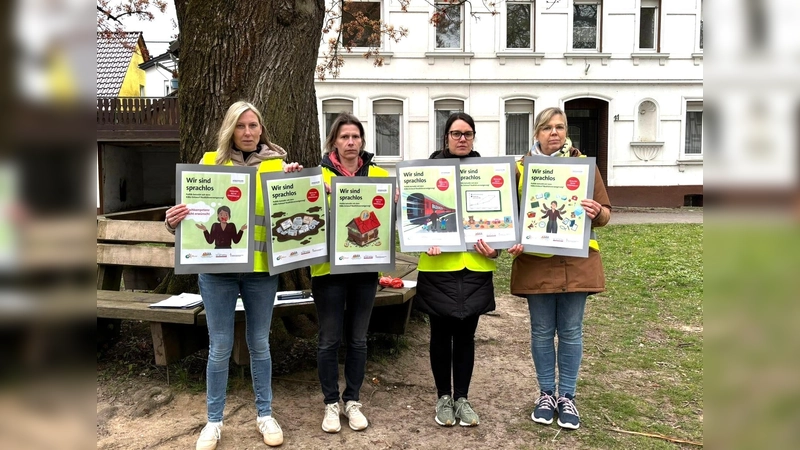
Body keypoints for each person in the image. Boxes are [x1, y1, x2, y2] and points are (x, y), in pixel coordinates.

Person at [164, 101, 303, 450]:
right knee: (220, 346)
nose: (247, 132)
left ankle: (264, 414)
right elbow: (191, 221)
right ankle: (213, 422)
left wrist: (297, 184)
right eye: (240, 126)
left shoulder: (278, 165)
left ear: (261, 129)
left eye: (253, 125)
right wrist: (172, 221)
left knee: (259, 344)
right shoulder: (209, 164)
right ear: (230, 129)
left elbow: (294, 214)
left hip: (260, 272)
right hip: (217, 273)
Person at [508, 106, 611, 430]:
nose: (555, 132)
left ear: (567, 132)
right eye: (548, 128)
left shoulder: (584, 168)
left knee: (570, 332)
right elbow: (508, 215)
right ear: (537, 133)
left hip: (576, 264)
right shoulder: (522, 169)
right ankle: (546, 394)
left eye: (560, 127)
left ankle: (567, 396)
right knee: (540, 332)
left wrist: (598, 212)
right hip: (536, 264)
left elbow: (606, 212)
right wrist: (512, 237)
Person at [415, 112, 498, 427]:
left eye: (467, 133)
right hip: (438, 266)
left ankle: (462, 398)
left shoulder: (489, 173)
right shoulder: (426, 172)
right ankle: (443, 398)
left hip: (475, 265)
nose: (462, 138)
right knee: (439, 335)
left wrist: (496, 248)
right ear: (445, 137)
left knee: (466, 336)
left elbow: (502, 218)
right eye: (455, 133)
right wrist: (423, 238)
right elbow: (416, 217)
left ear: (474, 137)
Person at [311, 112, 390, 433]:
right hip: (328, 270)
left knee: (358, 340)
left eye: (355, 136)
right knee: (329, 340)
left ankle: (352, 400)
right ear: (334, 142)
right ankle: (331, 404)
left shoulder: (379, 175)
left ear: (362, 141)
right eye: (344, 137)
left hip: (364, 269)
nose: (350, 142)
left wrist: (393, 201)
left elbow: (388, 222)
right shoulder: (317, 176)